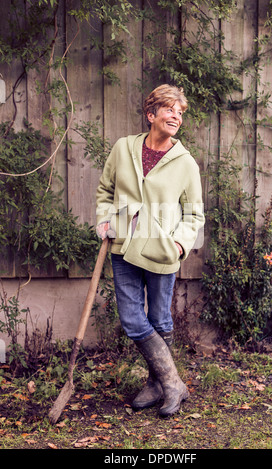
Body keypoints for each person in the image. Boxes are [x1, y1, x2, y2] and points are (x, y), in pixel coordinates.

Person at [95, 84, 205, 417]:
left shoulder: (185, 163)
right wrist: (104, 220)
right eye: (170, 109)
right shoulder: (123, 148)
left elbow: (194, 212)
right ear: (151, 114)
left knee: (158, 318)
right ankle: (171, 384)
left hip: (161, 251)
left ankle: (158, 384)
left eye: (180, 112)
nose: (176, 116)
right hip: (124, 246)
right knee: (132, 319)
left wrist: (179, 244)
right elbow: (105, 191)